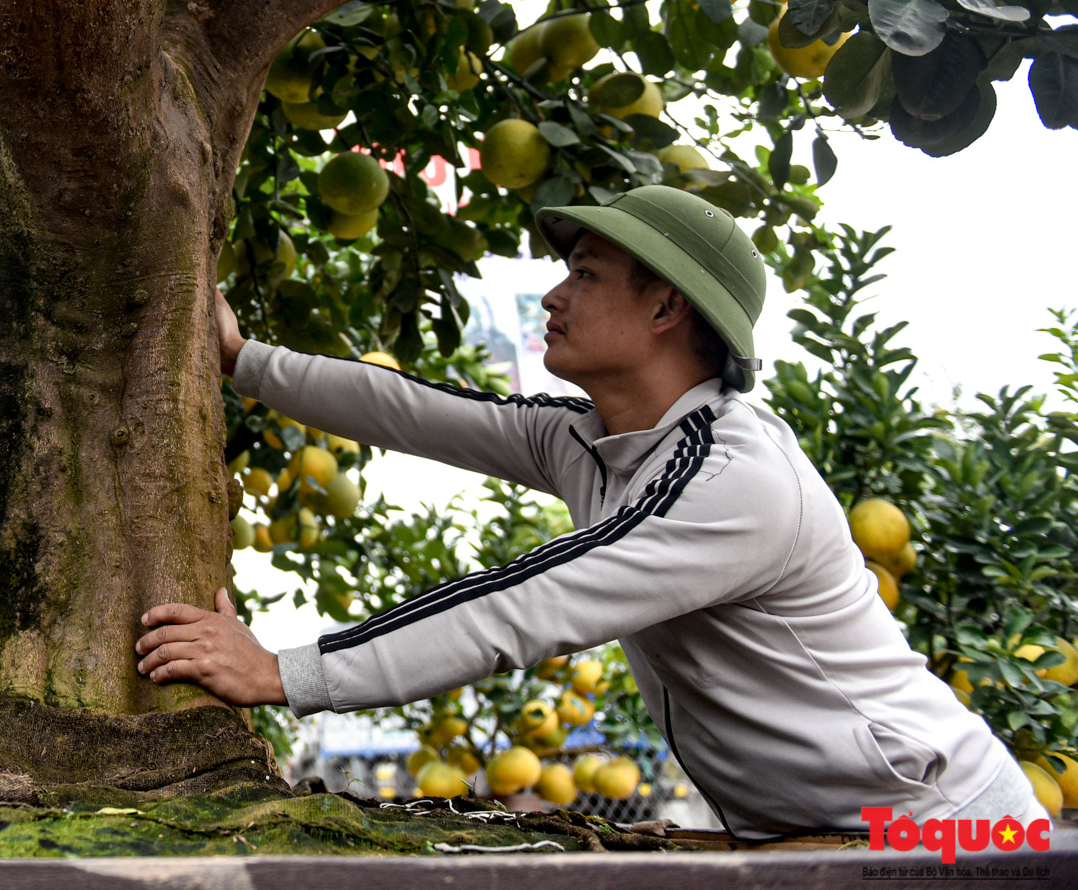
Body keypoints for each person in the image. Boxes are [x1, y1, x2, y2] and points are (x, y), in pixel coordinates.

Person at [135, 187, 1046, 839]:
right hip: (814, 833)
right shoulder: (593, 436)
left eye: (585, 270)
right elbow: (416, 411)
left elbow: (529, 603)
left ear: (664, 305)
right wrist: (243, 359)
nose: (557, 294)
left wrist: (287, 669)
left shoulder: (737, 478)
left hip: (941, 830)